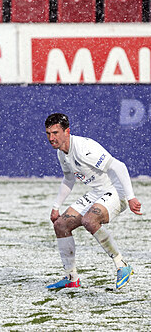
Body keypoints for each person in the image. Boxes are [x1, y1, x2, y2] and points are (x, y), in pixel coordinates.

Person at [45, 113, 143, 290]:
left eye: (55, 133)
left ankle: (122, 265)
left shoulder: (84, 148)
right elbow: (69, 179)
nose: (51, 138)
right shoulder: (62, 153)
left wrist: (130, 197)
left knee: (89, 220)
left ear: (67, 131)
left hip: (115, 190)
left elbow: (119, 166)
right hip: (96, 193)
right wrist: (56, 206)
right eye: (48, 134)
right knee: (60, 225)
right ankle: (71, 278)